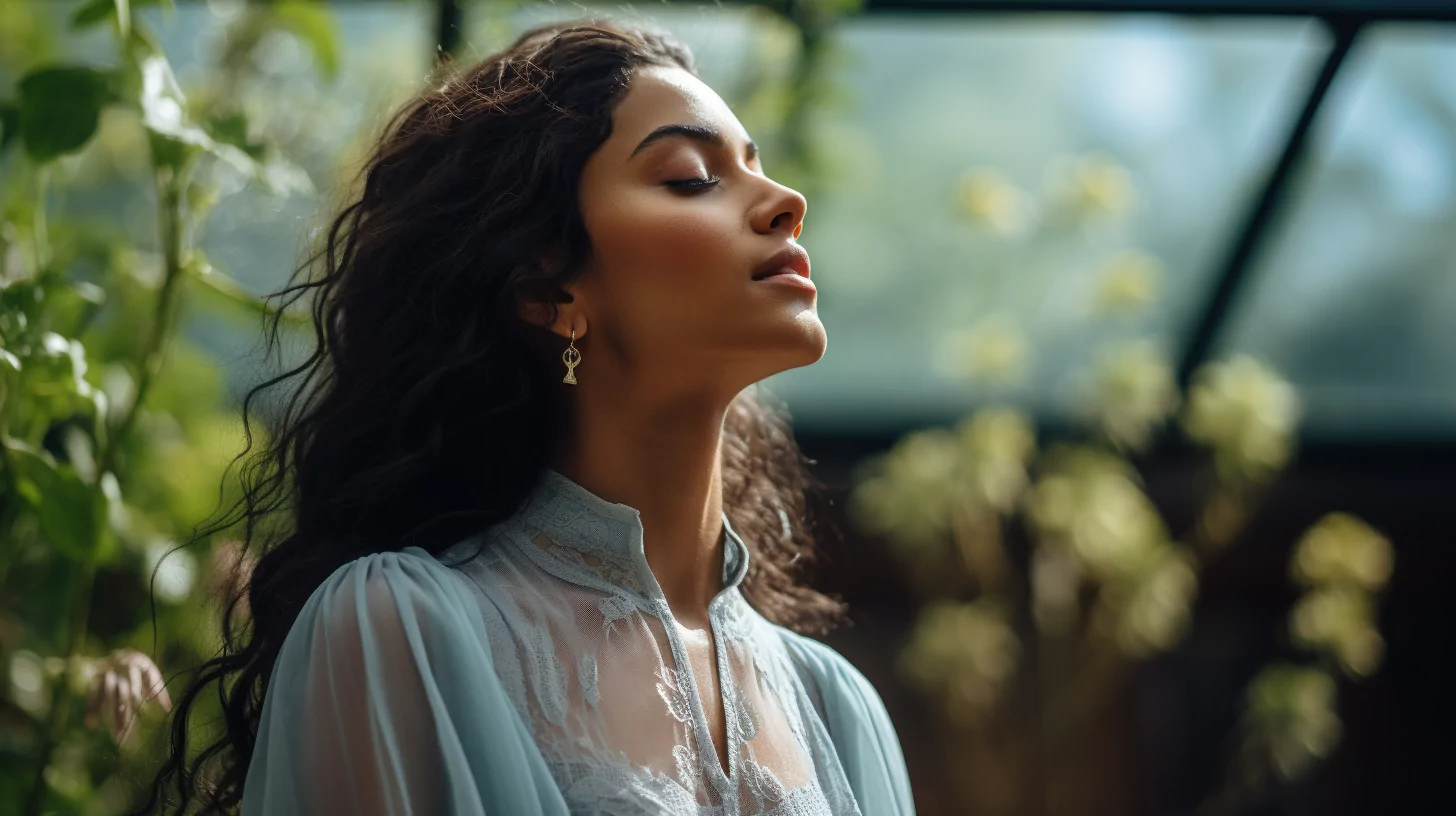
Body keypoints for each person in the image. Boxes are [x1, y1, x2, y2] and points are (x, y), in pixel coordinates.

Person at [134, 17, 914, 816]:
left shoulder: (836, 707)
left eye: (758, 166)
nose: (787, 203)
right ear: (547, 290)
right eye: (689, 177)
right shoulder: (398, 634)